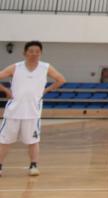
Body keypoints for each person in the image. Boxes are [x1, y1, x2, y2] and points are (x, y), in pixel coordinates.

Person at [0, 41, 65, 177]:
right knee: (4, 141)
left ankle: (34, 165)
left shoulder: (45, 67)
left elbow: (61, 80)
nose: (34, 54)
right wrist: (6, 91)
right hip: (13, 112)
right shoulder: (16, 67)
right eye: (31, 51)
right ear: (25, 53)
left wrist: (46, 90)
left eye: (37, 51)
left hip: (33, 112)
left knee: (33, 141)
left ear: (40, 53)